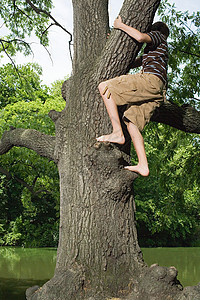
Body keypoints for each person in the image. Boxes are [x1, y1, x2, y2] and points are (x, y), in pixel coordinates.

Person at [96, 16, 169, 176]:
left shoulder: (159, 36)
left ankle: (117, 132)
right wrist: (114, 40)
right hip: (158, 92)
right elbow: (129, 62)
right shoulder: (154, 55)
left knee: (104, 86)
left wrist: (120, 25)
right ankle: (143, 164)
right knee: (132, 122)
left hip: (151, 80)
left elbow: (140, 37)